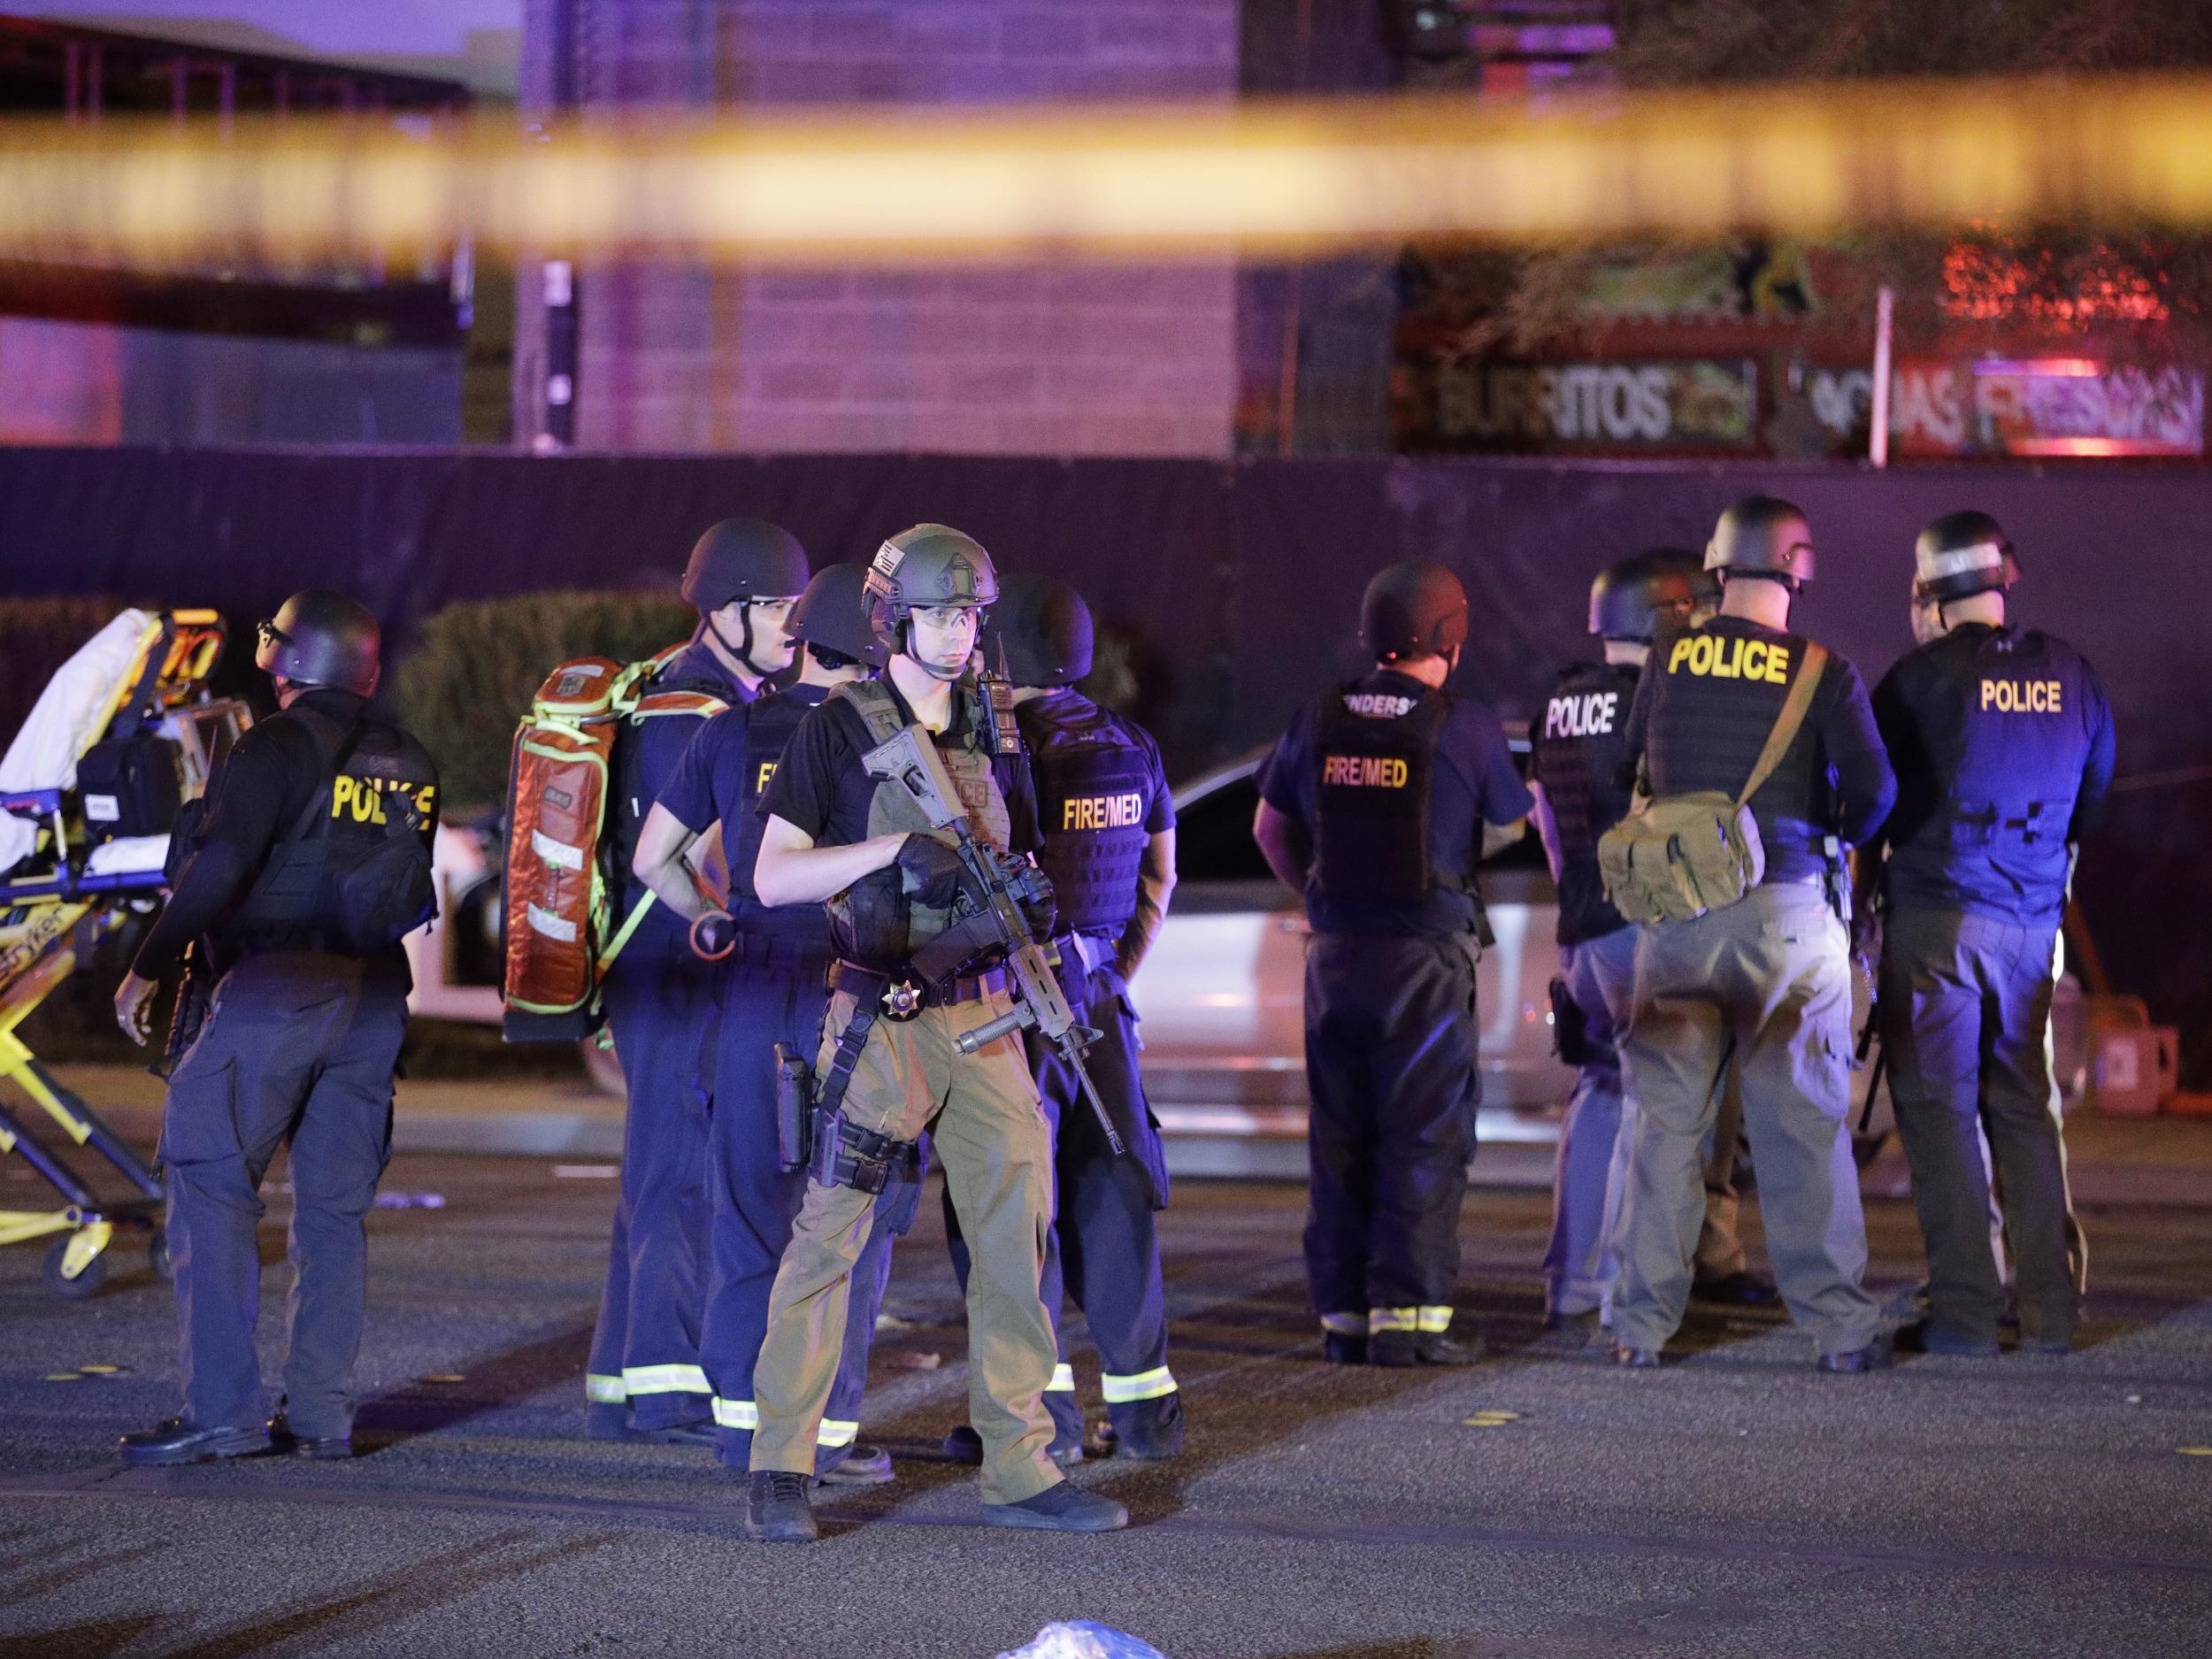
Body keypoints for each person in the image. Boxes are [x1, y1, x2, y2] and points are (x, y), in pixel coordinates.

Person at [742, 524, 1128, 1541]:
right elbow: (773, 877)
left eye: (968, 615)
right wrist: (895, 855)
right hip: (881, 1019)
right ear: (891, 618)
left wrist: (1032, 907)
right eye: (938, 614)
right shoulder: (836, 729)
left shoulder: (998, 725)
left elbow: (1023, 851)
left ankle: (1022, 1466)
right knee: (829, 1239)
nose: (957, 633)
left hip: (990, 1015)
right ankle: (780, 1467)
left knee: (1015, 1243)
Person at [113, 590, 439, 1464]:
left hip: (277, 991)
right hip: (375, 1003)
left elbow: (222, 866)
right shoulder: (408, 757)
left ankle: (221, 1412)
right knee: (333, 1213)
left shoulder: (274, 744)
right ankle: (323, 1416)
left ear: (295, 660)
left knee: (211, 1180)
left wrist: (150, 962)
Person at [632, 561, 910, 1484]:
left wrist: (706, 916)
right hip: (852, 994)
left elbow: (652, 859)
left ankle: (740, 1425)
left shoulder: (732, 729)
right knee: (846, 1217)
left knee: (748, 1209)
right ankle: (825, 1430)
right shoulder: (886, 740)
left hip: (752, 993)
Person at [1609, 497, 1896, 1372]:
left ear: (1719, 568)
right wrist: (1825, 831)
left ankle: (1636, 1330)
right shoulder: (1822, 669)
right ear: (1797, 573)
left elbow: (1635, 761)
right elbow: (1877, 792)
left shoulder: (1667, 657)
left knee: (1662, 1124)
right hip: (1786, 915)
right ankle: (1839, 1331)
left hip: (1677, 919)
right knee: (1803, 1126)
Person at [1252, 562, 1532, 1367]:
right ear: (1450, 635)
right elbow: (1512, 826)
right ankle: (1407, 1320)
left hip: (1335, 957)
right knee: (1424, 1134)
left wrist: (1319, 894)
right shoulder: (1467, 726)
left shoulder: (1320, 714)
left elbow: (1270, 824)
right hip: (1425, 963)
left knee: (1341, 1136)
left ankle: (1340, 1315)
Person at [942, 573, 1183, 1465]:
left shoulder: (991, 750)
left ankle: (1042, 1425)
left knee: (1005, 1212)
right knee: (1115, 1199)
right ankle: (1147, 1417)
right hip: (1099, 1010)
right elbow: (1157, 877)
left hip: (1008, 1013)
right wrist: (1115, 973)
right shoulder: (1133, 746)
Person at [585, 518, 810, 1444]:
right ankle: (669, 1387)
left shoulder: (666, 693)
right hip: (681, 966)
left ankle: (619, 1373)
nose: (796, 627)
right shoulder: (704, 714)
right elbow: (705, 857)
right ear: (726, 613)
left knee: (657, 1172)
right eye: (780, 610)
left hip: (658, 966)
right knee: (682, 1176)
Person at [1870, 511, 2115, 1356]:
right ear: (2002, 585)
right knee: (2022, 1109)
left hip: (1937, 923)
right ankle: (2049, 1311)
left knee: (1939, 1116)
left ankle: (1967, 1314)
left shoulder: (1913, 679)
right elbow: (2091, 796)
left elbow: (1869, 802)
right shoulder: (2072, 674)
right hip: (2029, 929)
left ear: (1931, 596)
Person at [1529, 551, 1774, 1337]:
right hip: (1647, 927)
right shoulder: (1662, 701)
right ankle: (1620, 1294)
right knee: (1657, 1111)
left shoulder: (1559, 704)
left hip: (1581, 930)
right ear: (1667, 617)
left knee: (1598, 1096)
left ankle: (1570, 1288)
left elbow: (1546, 822)